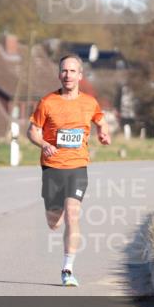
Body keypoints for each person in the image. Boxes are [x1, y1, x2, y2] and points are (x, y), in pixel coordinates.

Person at [27, 53, 111, 287]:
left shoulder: (89, 102)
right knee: (54, 222)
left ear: (80, 75)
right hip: (52, 168)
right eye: (64, 71)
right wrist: (44, 144)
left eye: (72, 71)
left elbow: (101, 120)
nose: (68, 75)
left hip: (78, 167)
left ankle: (67, 269)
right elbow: (32, 131)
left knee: (73, 214)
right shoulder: (47, 102)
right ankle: (57, 213)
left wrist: (104, 132)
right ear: (59, 74)